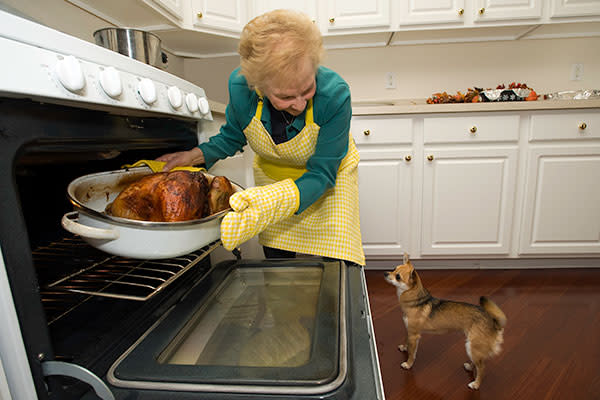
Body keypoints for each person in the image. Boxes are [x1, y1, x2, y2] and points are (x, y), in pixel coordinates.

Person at [157, 9, 365, 266]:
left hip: (328, 181)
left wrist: (275, 201)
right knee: (278, 264)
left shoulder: (335, 94)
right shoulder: (241, 87)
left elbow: (322, 172)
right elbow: (233, 136)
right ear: (258, 86)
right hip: (274, 177)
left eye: (307, 89)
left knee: (339, 263)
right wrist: (193, 155)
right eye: (286, 96)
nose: (300, 104)